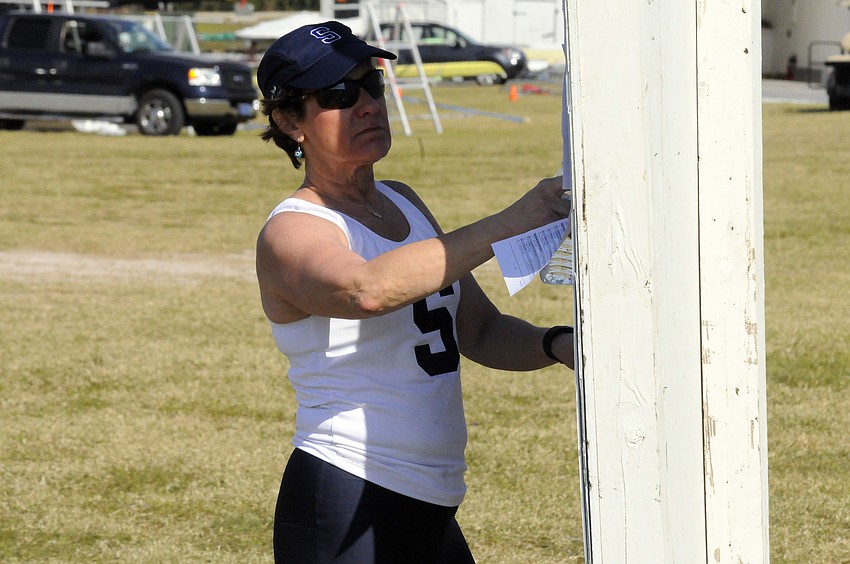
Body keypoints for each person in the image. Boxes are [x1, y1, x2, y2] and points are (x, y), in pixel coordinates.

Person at [254, 21, 574, 563]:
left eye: (371, 84)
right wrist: (517, 219)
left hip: (432, 502)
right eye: (338, 94)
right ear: (289, 121)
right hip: (345, 497)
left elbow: (481, 330)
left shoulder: (404, 200)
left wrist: (560, 345)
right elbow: (365, 291)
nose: (367, 105)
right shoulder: (292, 230)